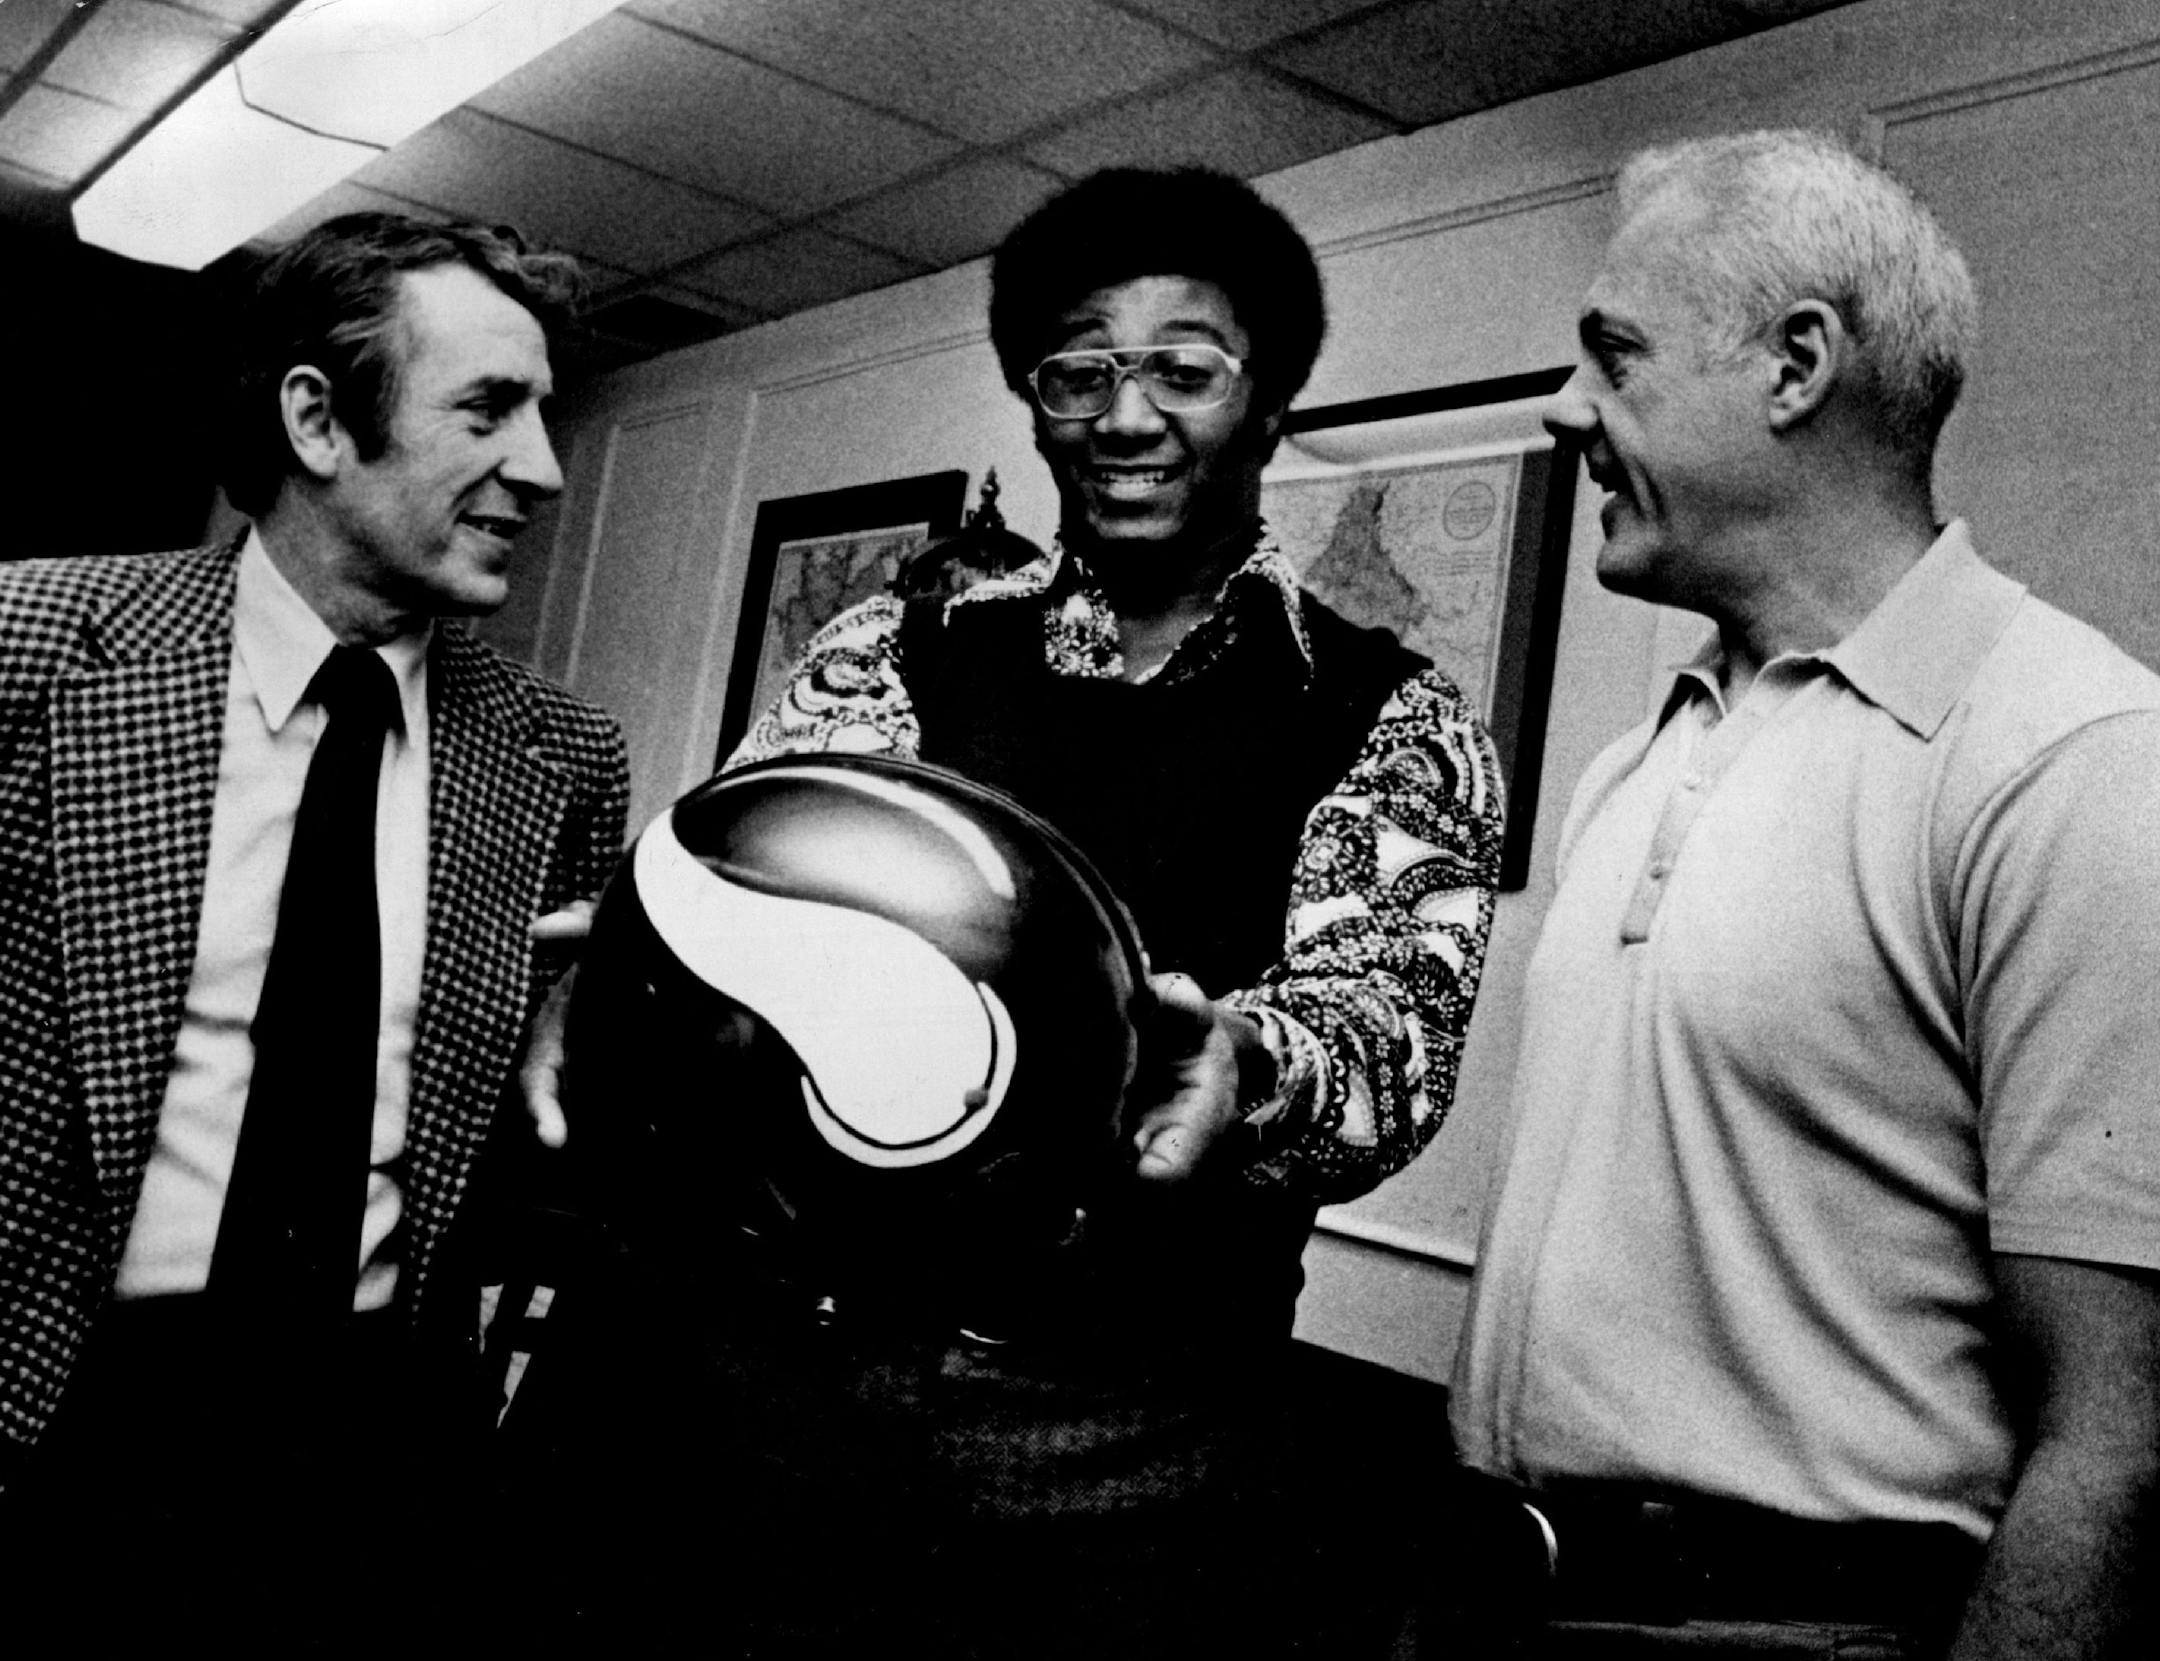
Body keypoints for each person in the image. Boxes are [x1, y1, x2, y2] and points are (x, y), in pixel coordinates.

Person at [521, 165, 1505, 1655]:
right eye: (1077, 372)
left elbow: (1389, 1038)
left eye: (1184, 369)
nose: (1125, 416)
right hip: (772, 1385)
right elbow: (756, 877)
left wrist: (1249, 1061)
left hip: (1111, 1452)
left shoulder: (1389, 711)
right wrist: (639, 971)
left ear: (1270, 402)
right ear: (1034, 402)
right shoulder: (893, 651)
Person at [1446, 130, 2160, 1659]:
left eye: (1615, 359)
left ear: (1796, 367)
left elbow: (2122, 1434)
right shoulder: (1631, 765)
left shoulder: (2065, 756)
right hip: (1506, 1602)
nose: (1568, 410)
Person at [0, 212, 629, 1644]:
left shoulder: (563, 758)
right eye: (488, 409)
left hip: (364, 1441)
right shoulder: (32, 650)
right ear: (317, 419)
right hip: (51, 1403)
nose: (540, 468)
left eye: (545, 415)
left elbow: (529, 1116)